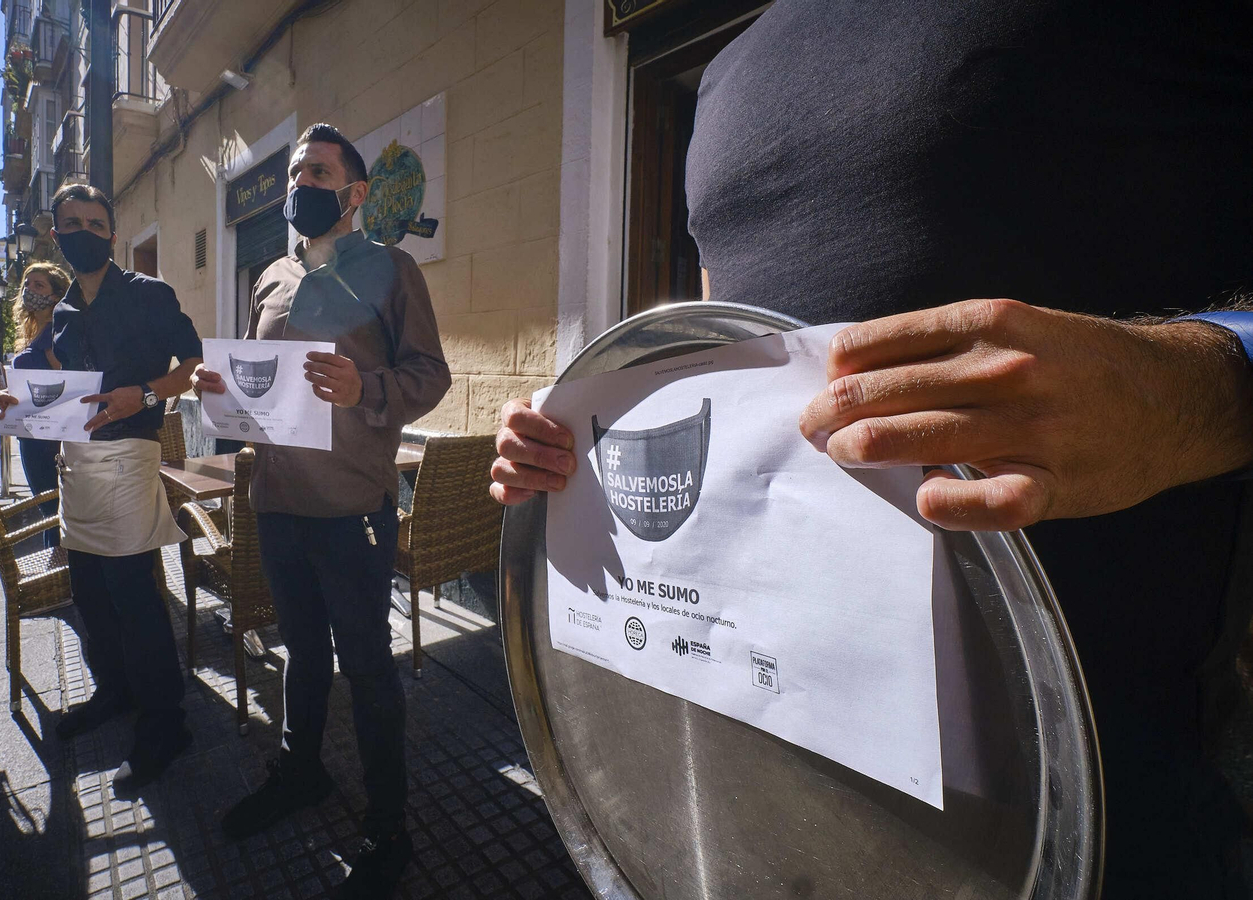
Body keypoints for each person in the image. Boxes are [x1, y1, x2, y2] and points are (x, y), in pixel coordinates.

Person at [491, 4, 1253, 896]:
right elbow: (735, 356)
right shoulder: (734, 67)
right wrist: (579, 442)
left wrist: (1195, 389)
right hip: (774, 772)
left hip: (1105, 790)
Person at [192, 123, 450, 898]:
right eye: (294, 171)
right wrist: (222, 394)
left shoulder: (392, 268)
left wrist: (364, 389)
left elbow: (430, 375)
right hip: (277, 504)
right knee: (302, 653)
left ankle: (389, 824)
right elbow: (254, 378)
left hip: (351, 510)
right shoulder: (269, 275)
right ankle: (300, 771)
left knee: (368, 668)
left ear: (356, 193)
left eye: (318, 171)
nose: (299, 183)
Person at [0, 183, 203, 796]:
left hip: (129, 459)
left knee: (136, 594)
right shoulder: (61, 314)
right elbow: (67, 393)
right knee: (90, 590)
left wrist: (143, 394)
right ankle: (115, 691)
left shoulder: (148, 294)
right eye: (71, 223)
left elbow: (192, 366)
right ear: (56, 236)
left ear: (112, 233)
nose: (84, 230)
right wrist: (22, 404)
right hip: (75, 466)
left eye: (95, 221)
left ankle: (167, 722)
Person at [8, 261, 72, 551]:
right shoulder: (38, 332)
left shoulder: (55, 336)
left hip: (46, 439)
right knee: (49, 510)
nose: (29, 290)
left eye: (39, 285)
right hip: (32, 432)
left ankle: (61, 578)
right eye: (26, 284)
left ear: (56, 296)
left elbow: (67, 384)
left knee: (51, 511)